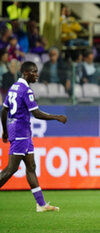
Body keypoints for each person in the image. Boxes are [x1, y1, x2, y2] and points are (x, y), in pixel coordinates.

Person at [0, 61, 67, 212]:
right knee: (11, 169)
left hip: (18, 130)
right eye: (34, 72)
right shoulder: (26, 90)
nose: (37, 74)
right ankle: (41, 204)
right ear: (25, 73)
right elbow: (36, 113)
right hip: (20, 131)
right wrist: (57, 117)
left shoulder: (13, 87)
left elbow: (4, 110)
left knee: (31, 167)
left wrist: (5, 130)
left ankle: (41, 204)